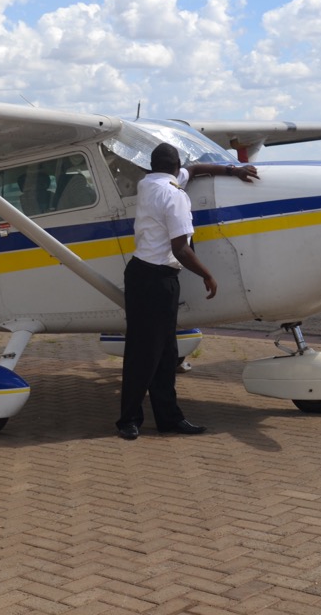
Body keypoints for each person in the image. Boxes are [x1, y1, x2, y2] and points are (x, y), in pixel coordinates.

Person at [116, 143, 259, 440]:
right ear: (174, 164)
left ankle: (169, 418)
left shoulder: (150, 182)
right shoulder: (173, 196)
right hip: (156, 280)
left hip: (144, 275)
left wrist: (232, 170)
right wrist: (208, 275)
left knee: (166, 354)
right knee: (144, 354)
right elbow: (180, 248)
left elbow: (193, 171)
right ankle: (128, 420)